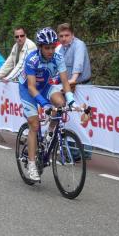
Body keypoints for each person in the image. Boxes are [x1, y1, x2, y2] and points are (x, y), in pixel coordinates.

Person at [18, 27, 81, 181]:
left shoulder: (58, 57)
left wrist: (71, 100)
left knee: (61, 102)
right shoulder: (32, 59)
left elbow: (65, 82)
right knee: (34, 125)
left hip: (45, 86)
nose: (51, 51)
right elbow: (32, 87)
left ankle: (50, 133)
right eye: (47, 48)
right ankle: (32, 164)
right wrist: (45, 105)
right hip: (28, 90)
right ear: (40, 47)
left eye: (53, 47)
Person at [57, 23, 93, 159]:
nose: (64, 38)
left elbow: (78, 63)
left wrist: (73, 79)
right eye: (61, 36)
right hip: (69, 87)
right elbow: (57, 66)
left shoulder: (79, 45)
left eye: (67, 35)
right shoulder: (60, 49)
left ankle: (85, 152)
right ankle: (75, 151)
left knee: (82, 118)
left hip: (82, 85)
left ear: (72, 35)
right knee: (71, 119)